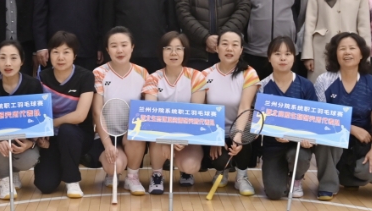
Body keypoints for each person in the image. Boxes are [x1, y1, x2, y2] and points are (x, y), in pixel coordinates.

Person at [259, 36, 336, 200]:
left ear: (294, 57)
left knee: (299, 157)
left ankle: (296, 179)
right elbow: (259, 122)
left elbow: (313, 120)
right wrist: (273, 134)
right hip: (273, 147)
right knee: (274, 193)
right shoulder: (262, 86)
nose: (282, 58)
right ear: (269, 57)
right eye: (277, 54)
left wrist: (307, 138)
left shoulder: (305, 85)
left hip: (298, 146)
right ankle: (280, 176)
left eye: (287, 54)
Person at [313, 32, 372, 193]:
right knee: (325, 137)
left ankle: (347, 177)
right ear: (335, 54)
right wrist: (351, 128)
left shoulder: (371, 82)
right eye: (342, 49)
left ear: (361, 54)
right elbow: (321, 117)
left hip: (361, 144)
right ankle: (327, 185)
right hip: (334, 140)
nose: (347, 52)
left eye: (352, 48)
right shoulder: (324, 80)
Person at [141, 32, 208, 194]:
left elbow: (197, 114)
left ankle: (185, 171)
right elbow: (151, 114)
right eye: (168, 48)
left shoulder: (196, 76)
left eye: (178, 48)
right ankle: (157, 174)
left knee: (190, 166)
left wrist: (181, 138)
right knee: (157, 141)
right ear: (161, 51)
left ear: (185, 52)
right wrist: (166, 139)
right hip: (160, 134)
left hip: (188, 134)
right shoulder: (153, 78)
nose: (173, 53)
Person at [0, 42, 44, 200]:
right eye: (3, 58)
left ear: (22, 61)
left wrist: (31, 143)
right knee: (3, 138)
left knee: (30, 159)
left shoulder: (33, 85)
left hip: (22, 143)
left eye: (13, 58)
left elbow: (40, 120)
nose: (8, 63)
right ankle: (5, 180)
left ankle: (14, 172)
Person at [90, 27, 151, 193]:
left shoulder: (142, 73)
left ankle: (132, 177)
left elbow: (147, 109)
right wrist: (108, 144)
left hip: (132, 134)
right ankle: (113, 172)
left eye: (124, 45)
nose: (119, 50)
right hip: (106, 134)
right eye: (114, 46)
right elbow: (97, 112)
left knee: (135, 134)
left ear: (132, 47)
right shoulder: (99, 73)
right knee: (114, 166)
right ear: (107, 49)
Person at [201, 30, 261, 196]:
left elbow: (245, 107)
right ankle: (222, 170)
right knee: (220, 161)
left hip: (240, 126)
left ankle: (242, 176)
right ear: (216, 48)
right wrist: (215, 138)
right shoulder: (205, 75)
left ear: (241, 50)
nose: (229, 48)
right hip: (216, 130)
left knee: (246, 134)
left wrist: (238, 136)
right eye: (225, 44)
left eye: (235, 45)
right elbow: (203, 110)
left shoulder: (249, 73)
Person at [36, 31, 94, 198]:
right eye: (55, 52)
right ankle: (62, 163)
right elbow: (37, 113)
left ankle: (72, 180)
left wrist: (51, 124)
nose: (60, 57)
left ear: (74, 55)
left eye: (66, 52)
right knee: (45, 185)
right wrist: (40, 135)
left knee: (68, 130)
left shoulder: (85, 76)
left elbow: (80, 116)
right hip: (51, 138)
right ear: (49, 54)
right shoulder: (41, 77)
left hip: (78, 135)